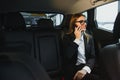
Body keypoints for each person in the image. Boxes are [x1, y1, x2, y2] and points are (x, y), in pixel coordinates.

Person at [62, 13, 96, 80]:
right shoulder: (66, 37)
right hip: (73, 68)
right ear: (74, 24)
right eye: (81, 22)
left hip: (87, 66)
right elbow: (67, 56)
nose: (84, 24)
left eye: (85, 21)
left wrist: (85, 69)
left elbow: (93, 57)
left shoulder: (89, 36)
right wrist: (77, 39)